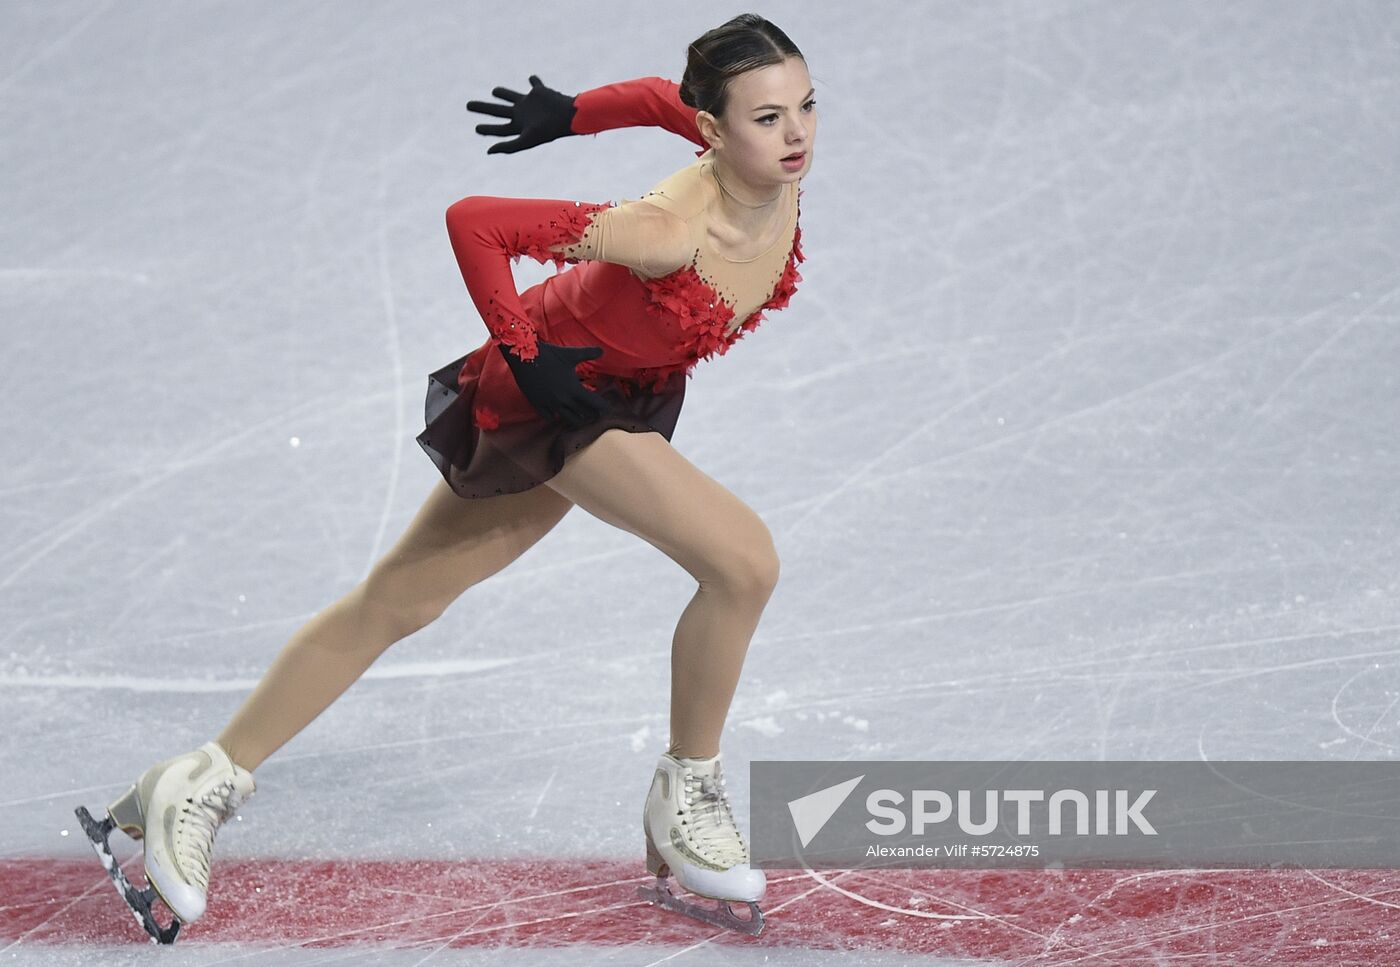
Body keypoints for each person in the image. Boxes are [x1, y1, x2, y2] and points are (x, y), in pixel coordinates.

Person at [75, 12, 815, 942]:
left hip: (611, 393)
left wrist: (573, 111)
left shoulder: (752, 156)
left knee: (400, 599)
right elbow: (475, 223)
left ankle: (192, 779)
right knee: (743, 561)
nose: (796, 136)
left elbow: (660, 97)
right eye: (768, 117)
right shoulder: (665, 231)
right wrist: (527, 353)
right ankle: (687, 790)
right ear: (717, 133)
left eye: (806, 107)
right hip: (563, 393)